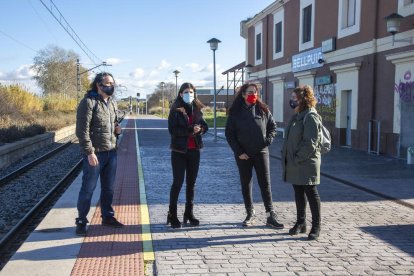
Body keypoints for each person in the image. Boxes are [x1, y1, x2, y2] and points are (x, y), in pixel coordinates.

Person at [225, 82, 284, 229]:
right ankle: (250, 213)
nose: (254, 95)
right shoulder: (235, 112)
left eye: (256, 92)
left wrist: (268, 140)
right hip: (243, 155)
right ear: (244, 95)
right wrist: (239, 152)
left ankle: (270, 214)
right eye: (250, 92)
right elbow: (229, 134)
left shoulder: (263, 109)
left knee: (265, 183)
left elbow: (272, 127)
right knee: (246, 183)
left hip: (261, 152)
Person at [75, 72, 123, 236]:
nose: (111, 86)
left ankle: (107, 217)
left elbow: (114, 126)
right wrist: (89, 152)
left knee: (108, 188)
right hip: (95, 154)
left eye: (112, 83)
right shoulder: (88, 103)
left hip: (112, 152)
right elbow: (82, 132)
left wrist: (118, 131)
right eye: (108, 83)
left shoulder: (112, 103)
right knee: (88, 188)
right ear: (98, 85)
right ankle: (81, 220)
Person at [281, 85, 322, 240]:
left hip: (306, 162)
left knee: (311, 193)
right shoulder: (297, 115)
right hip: (295, 162)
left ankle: (316, 226)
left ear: (303, 99)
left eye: (294, 98)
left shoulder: (310, 116)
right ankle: (301, 223)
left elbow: (310, 142)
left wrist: (297, 158)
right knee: (298, 192)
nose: (291, 100)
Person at [167, 82, 208, 228]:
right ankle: (172, 215)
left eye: (191, 92)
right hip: (179, 151)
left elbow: (205, 126)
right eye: (186, 92)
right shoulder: (175, 110)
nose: (189, 94)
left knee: (191, 184)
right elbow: (173, 130)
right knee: (178, 182)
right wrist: (190, 130)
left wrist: (200, 129)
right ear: (180, 94)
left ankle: (188, 213)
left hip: (194, 151)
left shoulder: (197, 109)